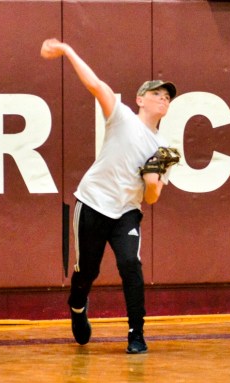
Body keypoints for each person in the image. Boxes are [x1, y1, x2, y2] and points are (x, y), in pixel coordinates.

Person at [41, 38, 177, 354]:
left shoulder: (163, 151)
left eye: (168, 96)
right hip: (92, 202)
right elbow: (95, 84)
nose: (163, 98)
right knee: (88, 270)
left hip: (126, 211)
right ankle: (77, 304)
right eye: (157, 93)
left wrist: (154, 184)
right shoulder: (123, 117)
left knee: (131, 263)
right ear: (140, 99)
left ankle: (136, 334)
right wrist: (67, 50)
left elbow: (152, 198)